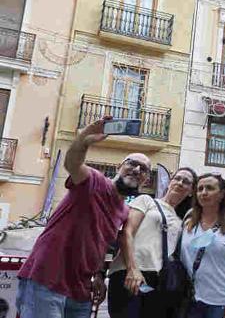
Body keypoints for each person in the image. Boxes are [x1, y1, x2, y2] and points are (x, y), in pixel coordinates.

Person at [16, 118, 151, 318]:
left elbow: (100, 243)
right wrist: (85, 140)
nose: (137, 170)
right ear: (118, 167)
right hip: (46, 279)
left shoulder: (124, 211)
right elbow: (72, 163)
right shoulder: (94, 181)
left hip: (81, 291)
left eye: (144, 169)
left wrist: (98, 275)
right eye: (132, 163)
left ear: (146, 180)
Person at [107, 167, 198, 318]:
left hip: (157, 281)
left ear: (190, 191)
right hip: (129, 272)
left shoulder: (181, 221)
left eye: (186, 181)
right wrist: (132, 269)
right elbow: (126, 232)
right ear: (170, 182)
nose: (180, 183)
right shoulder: (146, 200)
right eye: (177, 178)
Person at [180, 173, 225, 318]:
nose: (204, 192)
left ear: (221, 194)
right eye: (200, 189)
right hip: (192, 301)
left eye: (210, 188)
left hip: (222, 304)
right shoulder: (189, 224)